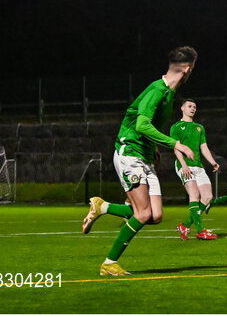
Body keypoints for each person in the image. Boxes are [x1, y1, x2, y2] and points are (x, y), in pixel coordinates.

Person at [81, 46, 198, 276]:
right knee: (142, 214)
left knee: (155, 216)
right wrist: (176, 144)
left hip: (144, 155)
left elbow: (150, 127)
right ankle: (109, 263)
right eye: (193, 68)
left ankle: (102, 206)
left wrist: (154, 148)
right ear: (186, 69)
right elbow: (141, 125)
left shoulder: (170, 94)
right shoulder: (157, 90)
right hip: (129, 153)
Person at [170, 99, 221, 240]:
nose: (193, 108)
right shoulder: (176, 127)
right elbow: (176, 147)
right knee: (194, 195)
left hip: (198, 166)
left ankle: (185, 225)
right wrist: (184, 165)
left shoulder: (199, 128)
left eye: (195, 107)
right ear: (182, 108)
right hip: (184, 165)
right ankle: (200, 230)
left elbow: (204, 147)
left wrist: (212, 162)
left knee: (208, 197)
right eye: (190, 106)